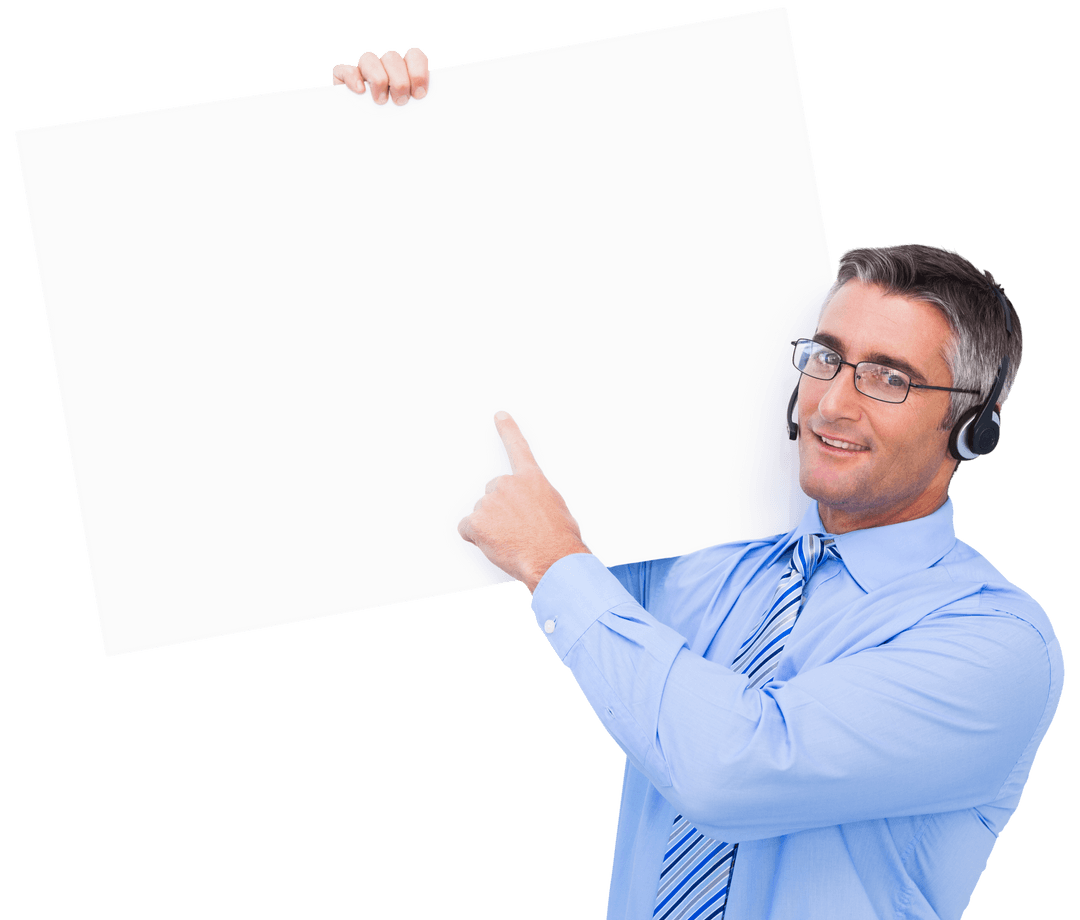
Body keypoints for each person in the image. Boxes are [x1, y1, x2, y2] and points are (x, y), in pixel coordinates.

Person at [336, 53, 1065, 920]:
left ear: (971, 427)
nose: (831, 402)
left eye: (889, 378)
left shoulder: (995, 644)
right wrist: (408, 141)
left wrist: (559, 564)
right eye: (826, 357)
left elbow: (735, 764)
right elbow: (519, 337)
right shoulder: (709, 546)